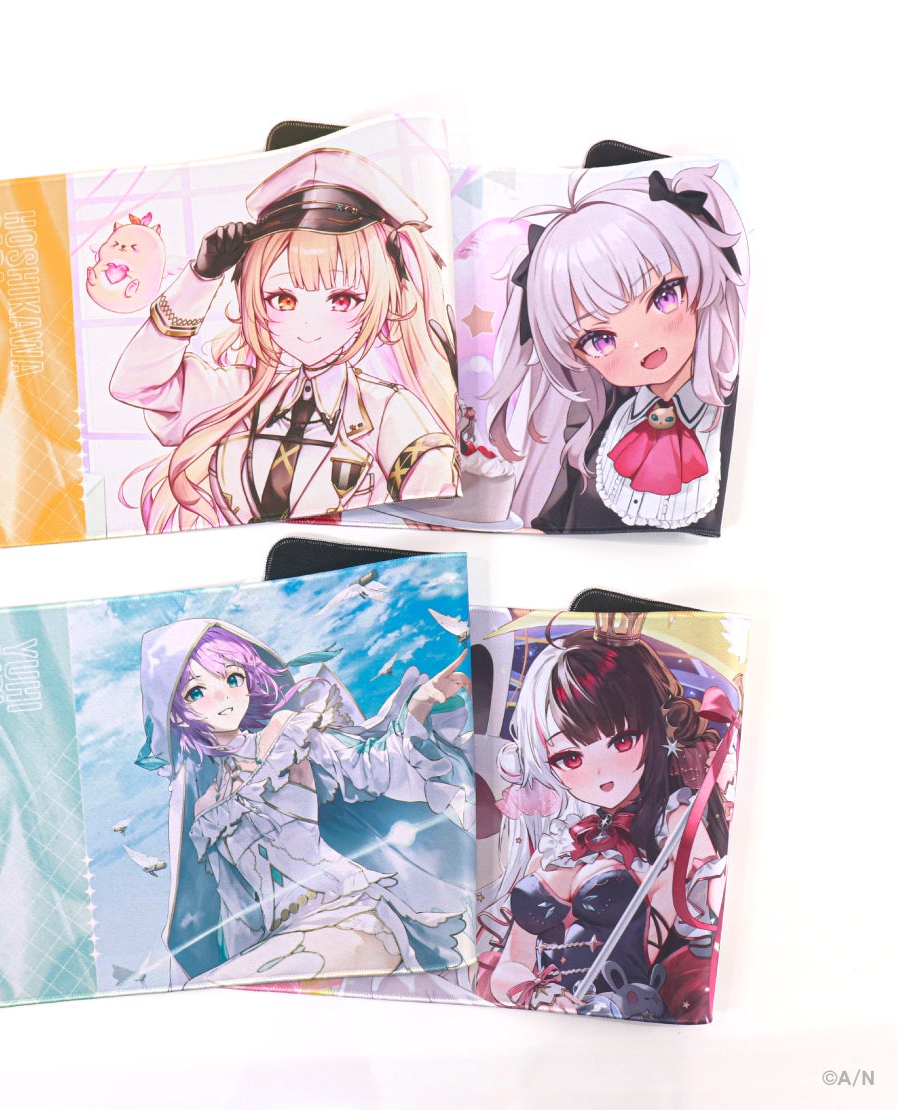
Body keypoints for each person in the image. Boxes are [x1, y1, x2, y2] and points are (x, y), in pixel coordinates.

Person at [111, 148, 459, 531]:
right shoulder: (241, 394)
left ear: (383, 299)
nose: (308, 324)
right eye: (283, 299)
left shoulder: (386, 410)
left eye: (343, 299)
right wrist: (200, 280)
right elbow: (136, 385)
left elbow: (436, 488)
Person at [133, 619, 474, 985]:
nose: (223, 697)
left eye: (232, 678)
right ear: (175, 714)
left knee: (211, 988)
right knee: (211, 988)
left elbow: (374, 770)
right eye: (197, 692)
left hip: (353, 910)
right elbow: (240, 912)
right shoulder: (208, 810)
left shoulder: (289, 737)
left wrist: (419, 706)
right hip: (283, 937)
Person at [481, 616, 733, 1021]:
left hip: (630, 1011)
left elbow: (700, 917)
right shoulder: (560, 845)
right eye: (569, 757)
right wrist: (537, 994)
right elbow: (511, 966)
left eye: (623, 740)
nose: (600, 774)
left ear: (656, 728)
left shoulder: (676, 825)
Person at [486, 165, 748, 533]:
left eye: (664, 296)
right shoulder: (598, 420)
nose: (641, 345)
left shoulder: (737, 404)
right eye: (599, 339)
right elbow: (559, 517)